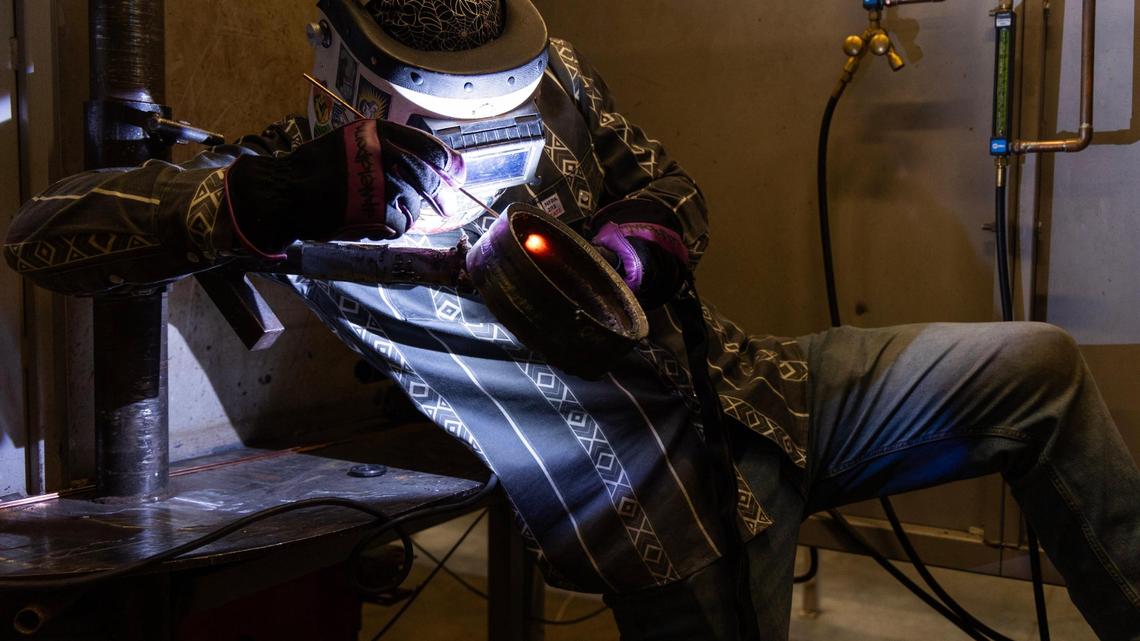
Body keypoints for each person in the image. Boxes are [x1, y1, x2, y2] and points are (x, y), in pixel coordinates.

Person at [5, 1, 1139, 639]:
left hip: (768, 389)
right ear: (346, 77)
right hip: (652, 502)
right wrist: (268, 200)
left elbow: (678, 181)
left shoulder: (556, 85)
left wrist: (648, 231)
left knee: (1032, 364)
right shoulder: (309, 196)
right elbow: (43, 237)